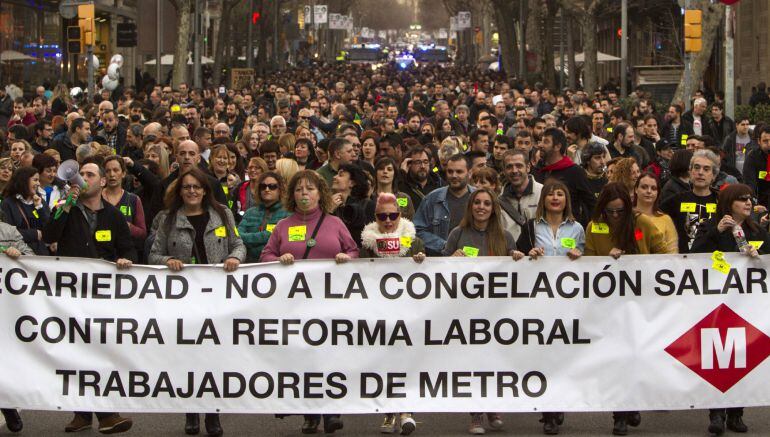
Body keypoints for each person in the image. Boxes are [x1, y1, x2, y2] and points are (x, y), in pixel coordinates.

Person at [148, 167, 246, 437]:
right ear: (180, 191)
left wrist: (235, 258)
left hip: (218, 299)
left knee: (214, 357)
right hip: (184, 301)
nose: (192, 191)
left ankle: (213, 414)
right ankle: (191, 412)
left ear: (205, 190)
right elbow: (153, 254)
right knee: (189, 357)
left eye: (196, 187)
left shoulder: (223, 215)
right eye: (187, 187)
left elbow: (239, 244)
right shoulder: (168, 219)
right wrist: (168, 260)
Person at [260, 170, 358, 435]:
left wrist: (345, 257)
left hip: (330, 302)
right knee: (304, 356)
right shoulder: (283, 225)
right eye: (299, 189)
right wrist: (278, 261)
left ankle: (330, 412)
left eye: (310, 189)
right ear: (292, 195)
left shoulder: (335, 223)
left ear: (320, 193)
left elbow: (353, 250)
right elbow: (265, 255)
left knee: (328, 355)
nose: (304, 194)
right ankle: (310, 414)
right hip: (296, 304)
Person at [43, 158, 135, 434]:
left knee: (100, 353)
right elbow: (49, 234)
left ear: (102, 182)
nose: (82, 178)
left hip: (104, 296)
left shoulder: (113, 215)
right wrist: (66, 205)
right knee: (76, 353)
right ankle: (84, 414)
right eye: (80, 174)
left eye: (89, 174)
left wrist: (124, 261)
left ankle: (105, 413)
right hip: (73, 295)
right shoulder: (66, 209)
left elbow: (128, 248)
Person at [584, 182, 666, 435]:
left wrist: (634, 259)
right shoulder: (594, 226)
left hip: (640, 303)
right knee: (615, 358)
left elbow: (664, 256)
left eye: (620, 211)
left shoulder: (642, 224)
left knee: (637, 355)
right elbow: (588, 261)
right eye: (611, 211)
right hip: (608, 304)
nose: (616, 216)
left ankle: (632, 402)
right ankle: (620, 413)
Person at [440, 188, 522, 435]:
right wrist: (452, 258)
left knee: (496, 360)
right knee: (472, 362)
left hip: (497, 313)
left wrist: (516, 256)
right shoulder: (458, 233)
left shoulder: (505, 236)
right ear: (471, 206)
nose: (482, 207)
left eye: (487, 203)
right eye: (477, 202)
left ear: (493, 208)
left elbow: (515, 270)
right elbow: (441, 269)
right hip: (467, 312)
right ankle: (475, 413)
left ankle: (493, 406)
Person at [690, 184, 770, 436]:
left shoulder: (757, 229)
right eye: (742, 199)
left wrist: (760, 254)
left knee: (742, 359)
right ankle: (716, 413)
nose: (748, 203)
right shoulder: (711, 227)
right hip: (717, 304)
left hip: (747, 306)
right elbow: (692, 255)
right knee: (717, 359)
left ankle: (736, 413)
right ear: (728, 203)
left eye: (750, 198)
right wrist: (715, 232)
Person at [360, 192, 425, 436]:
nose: (388, 220)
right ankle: (389, 412)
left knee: (406, 362)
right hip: (378, 312)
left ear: (401, 215)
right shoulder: (367, 243)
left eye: (393, 215)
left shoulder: (414, 242)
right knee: (384, 362)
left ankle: (406, 411)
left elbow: (425, 276)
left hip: (408, 312)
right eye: (382, 216)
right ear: (375, 217)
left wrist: (421, 261)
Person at [414, 154, 475, 256]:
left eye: (459, 171)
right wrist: (446, 246)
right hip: (440, 264)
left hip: (477, 263)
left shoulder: (480, 198)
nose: (454, 175)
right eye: (450, 171)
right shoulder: (432, 199)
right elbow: (417, 230)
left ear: (469, 173)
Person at [534, 127, 596, 225]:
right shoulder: (538, 170)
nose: (540, 145)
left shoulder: (575, 171)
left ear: (557, 146)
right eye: (540, 141)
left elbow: (591, 203)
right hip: (542, 227)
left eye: (546, 142)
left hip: (569, 229)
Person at [662, 150, 720, 253]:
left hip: (714, 262)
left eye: (706, 169)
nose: (700, 172)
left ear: (714, 176)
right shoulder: (675, 201)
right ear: (690, 171)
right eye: (696, 168)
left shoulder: (721, 201)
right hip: (683, 263)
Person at [237, 172, 291, 262]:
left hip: (275, 263)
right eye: (263, 186)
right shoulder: (250, 212)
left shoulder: (288, 213)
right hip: (249, 264)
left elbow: (283, 239)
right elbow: (238, 236)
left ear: (280, 190)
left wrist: (250, 239)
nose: (267, 189)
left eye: (272, 186)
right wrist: (266, 235)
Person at [101, 156, 147, 255]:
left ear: (123, 173)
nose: (111, 174)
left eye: (116, 170)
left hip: (127, 257)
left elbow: (143, 233)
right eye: (108, 171)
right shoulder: (96, 198)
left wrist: (127, 227)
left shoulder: (133, 199)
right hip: (101, 256)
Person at [633, 172, 678, 254]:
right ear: (636, 189)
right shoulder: (627, 215)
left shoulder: (665, 219)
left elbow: (672, 253)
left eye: (653, 188)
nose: (649, 191)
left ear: (658, 193)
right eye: (644, 187)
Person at [331, 163, 375, 246]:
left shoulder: (368, 205)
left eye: (340, 175)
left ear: (352, 183)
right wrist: (329, 211)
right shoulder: (330, 205)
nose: (334, 177)